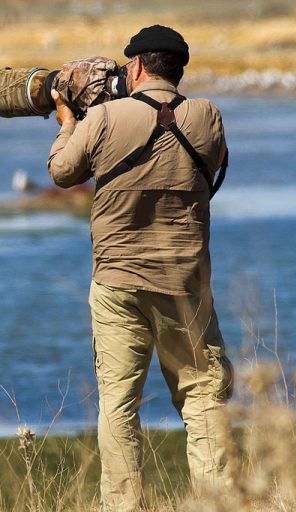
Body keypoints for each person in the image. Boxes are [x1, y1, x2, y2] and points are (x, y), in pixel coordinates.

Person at [46, 25, 234, 511]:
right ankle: (218, 503)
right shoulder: (207, 115)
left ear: (134, 67)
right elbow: (212, 161)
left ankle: (124, 506)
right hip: (184, 284)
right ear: (178, 68)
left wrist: (68, 118)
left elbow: (63, 172)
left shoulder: (106, 117)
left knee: (119, 405)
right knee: (202, 396)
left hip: (116, 283)